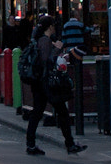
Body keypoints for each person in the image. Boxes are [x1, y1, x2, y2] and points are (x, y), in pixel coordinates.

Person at [25, 17, 85, 156]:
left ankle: (31, 144)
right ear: (50, 27)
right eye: (53, 26)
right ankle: (69, 144)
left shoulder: (38, 40)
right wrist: (57, 49)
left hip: (40, 82)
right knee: (60, 112)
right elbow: (47, 60)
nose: (54, 29)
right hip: (47, 83)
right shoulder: (45, 41)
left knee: (38, 112)